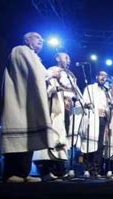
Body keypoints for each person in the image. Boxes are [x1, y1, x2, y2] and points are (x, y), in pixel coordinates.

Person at [1, 32, 59, 183]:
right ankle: (10, 173)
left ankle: (23, 172)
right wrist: (50, 74)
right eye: (37, 37)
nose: (41, 40)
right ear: (27, 40)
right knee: (17, 137)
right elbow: (33, 72)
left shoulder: (34, 56)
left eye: (42, 38)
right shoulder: (20, 50)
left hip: (28, 102)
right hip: (18, 101)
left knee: (28, 139)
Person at [33, 52, 81, 180]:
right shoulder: (52, 70)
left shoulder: (71, 76)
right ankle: (46, 170)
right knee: (52, 137)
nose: (68, 60)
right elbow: (47, 89)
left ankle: (60, 170)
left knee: (63, 138)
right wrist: (61, 93)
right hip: (54, 108)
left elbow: (76, 92)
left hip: (67, 111)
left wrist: (76, 104)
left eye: (69, 58)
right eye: (66, 57)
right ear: (57, 58)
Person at [80, 70, 111, 177]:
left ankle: (97, 170)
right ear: (97, 76)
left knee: (100, 146)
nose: (103, 78)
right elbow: (84, 102)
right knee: (91, 143)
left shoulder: (106, 91)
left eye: (105, 76)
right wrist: (93, 108)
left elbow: (108, 106)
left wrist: (107, 111)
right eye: (101, 75)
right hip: (92, 119)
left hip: (102, 119)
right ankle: (89, 168)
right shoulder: (90, 88)